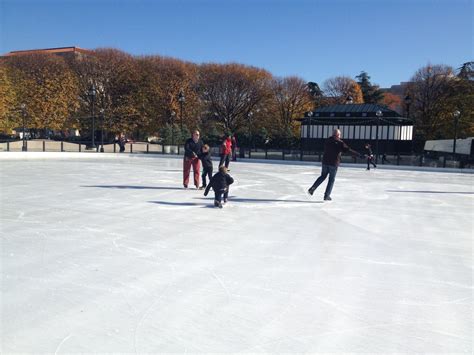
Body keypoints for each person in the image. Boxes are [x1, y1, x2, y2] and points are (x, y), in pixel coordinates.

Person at [308, 129, 360, 201]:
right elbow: (349, 150)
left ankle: (312, 188)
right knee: (331, 180)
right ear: (338, 135)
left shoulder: (327, 140)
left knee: (323, 176)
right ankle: (327, 195)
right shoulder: (340, 143)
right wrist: (359, 155)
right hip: (333, 163)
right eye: (340, 135)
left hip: (325, 162)